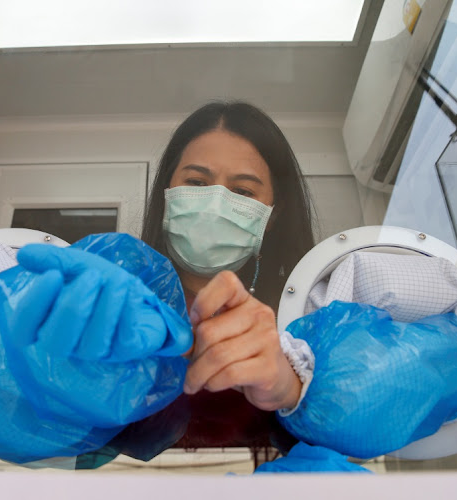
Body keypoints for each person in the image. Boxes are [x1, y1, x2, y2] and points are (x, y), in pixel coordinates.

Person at [128, 100, 317, 456]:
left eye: (243, 191)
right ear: (167, 195)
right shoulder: (123, 294)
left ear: (271, 216)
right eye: (197, 182)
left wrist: (290, 383)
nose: (215, 202)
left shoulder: (306, 310)